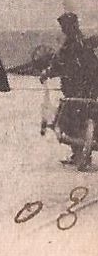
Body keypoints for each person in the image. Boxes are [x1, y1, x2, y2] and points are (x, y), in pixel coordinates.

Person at [45, 12, 98, 166]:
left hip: (75, 89)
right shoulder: (84, 42)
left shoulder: (70, 45)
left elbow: (58, 64)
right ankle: (82, 153)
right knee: (87, 115)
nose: (63, 29)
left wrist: (47, 73)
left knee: (70, 120)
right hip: (90, 88)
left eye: (64, 26)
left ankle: (79, 153)